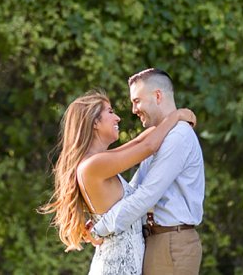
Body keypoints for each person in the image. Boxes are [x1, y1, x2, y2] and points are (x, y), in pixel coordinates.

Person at [39, 89, 196, 274]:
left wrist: (169, 120)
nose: (118, 118)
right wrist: (177, 115)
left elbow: (139, 142)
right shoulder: (93, 165)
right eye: (110, 112)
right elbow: (148, 146)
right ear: (95, 122)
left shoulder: (99, 159)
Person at [92, 68, 205, 275]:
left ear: (158, 96)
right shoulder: (161, 137)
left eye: (137, 101)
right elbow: (133, 190)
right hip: (158, 241)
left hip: (171, 243)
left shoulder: (178, 137)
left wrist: (99, 229)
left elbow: (145, 196)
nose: (133, 109)